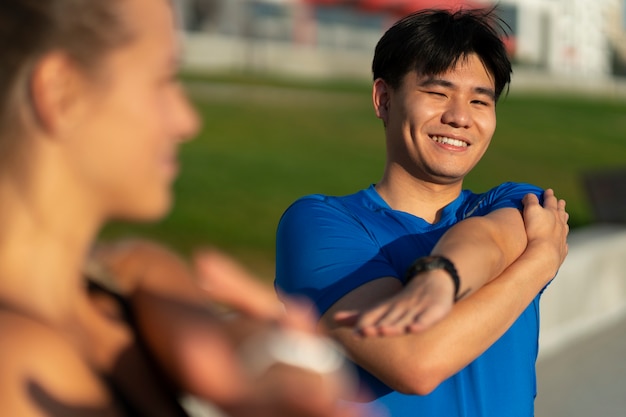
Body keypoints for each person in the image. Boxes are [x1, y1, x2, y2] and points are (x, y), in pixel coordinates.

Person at [0, 1, 360, 416]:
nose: (187, 120)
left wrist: (275, 358)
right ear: (63, 92)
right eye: (164, 79)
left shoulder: (130, 285)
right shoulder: (19, 364)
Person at [275, 8, 570, 417]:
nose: (460, 117)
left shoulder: (516, 201)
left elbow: (488, 240)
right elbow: (415, 363)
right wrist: (539, 263)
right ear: (384, 99)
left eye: (480, 100)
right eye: (437, 93)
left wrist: (440, 277)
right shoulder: (317, 224)